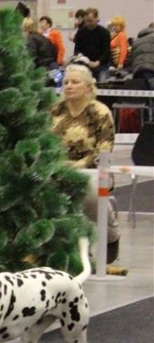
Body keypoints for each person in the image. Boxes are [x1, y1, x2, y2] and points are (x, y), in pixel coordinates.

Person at [51, 63, 120, 263]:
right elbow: (44, 142)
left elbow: (104, 149)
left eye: (75, 82)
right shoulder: (54, 110)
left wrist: (79, 165)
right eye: (66, 82)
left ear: (89, 87)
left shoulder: (100, 112)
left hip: (93, 171)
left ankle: (110, 235)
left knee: (89, 193)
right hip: (57, 170)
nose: (69, 86)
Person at [74, 7, 111, 82]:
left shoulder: (104, 33)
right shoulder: (81, 32)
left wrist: (97, 63)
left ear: (96, 18)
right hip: (86, 65)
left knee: (102, 85)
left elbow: (106, 53)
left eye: (90, 21)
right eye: (86, 21)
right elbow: (77, 49)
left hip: (102, 65)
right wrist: (80, 55)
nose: (88, 23)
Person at [129, 22, 154, 89]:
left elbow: (130, 59)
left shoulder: (137, 41)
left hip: (137, 70)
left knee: (142, 96)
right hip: (152, 69)